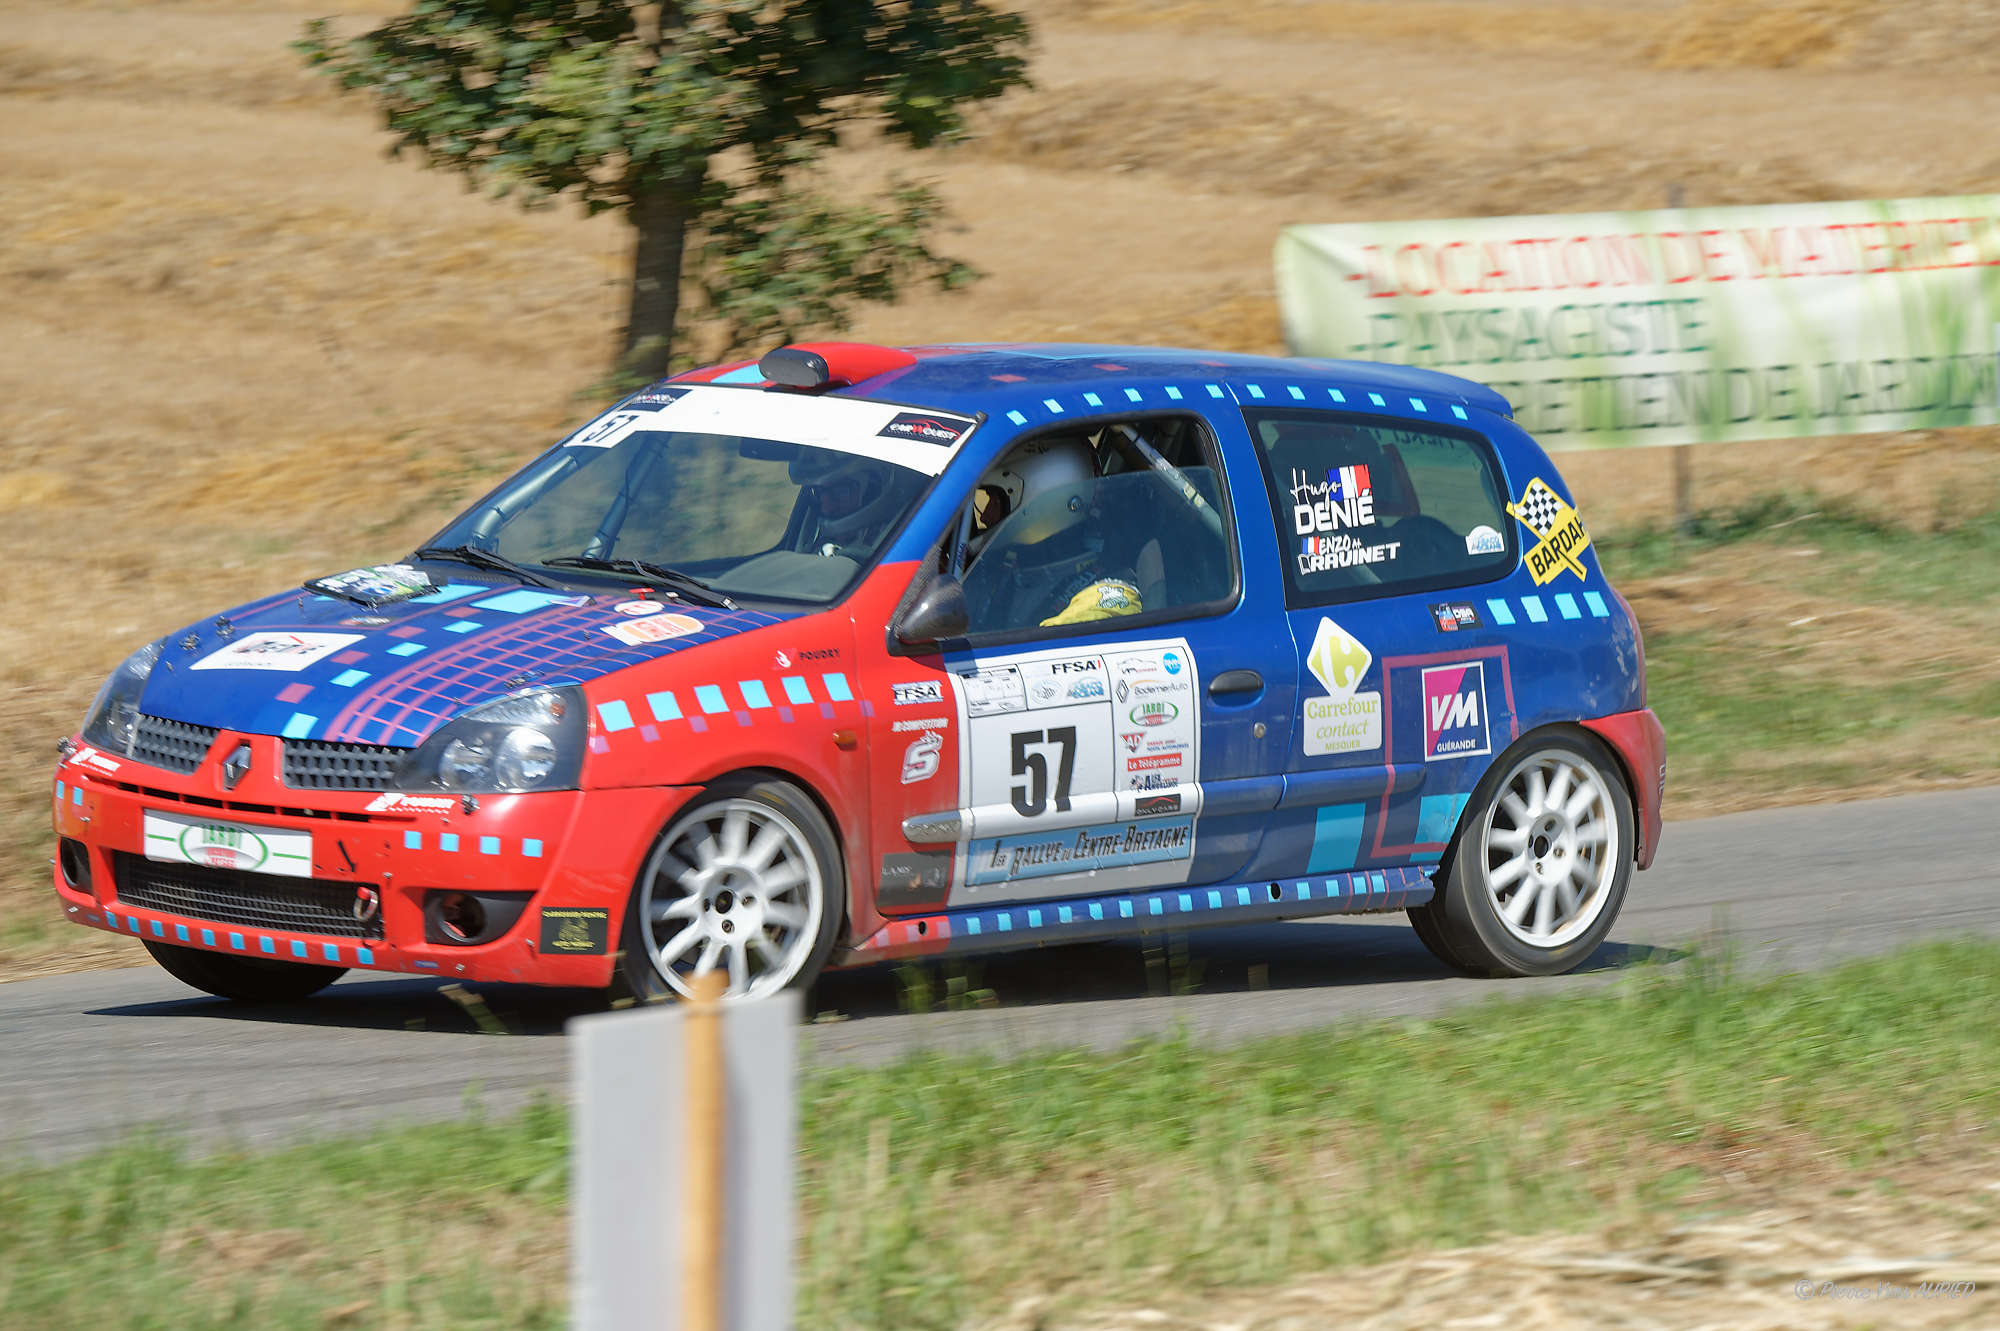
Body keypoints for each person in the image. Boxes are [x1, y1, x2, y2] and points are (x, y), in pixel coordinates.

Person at [961, 435, 1145, 629]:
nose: (985, 516)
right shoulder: (1009, 567)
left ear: (1041, 500)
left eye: (996, 501)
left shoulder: (1104, 595)